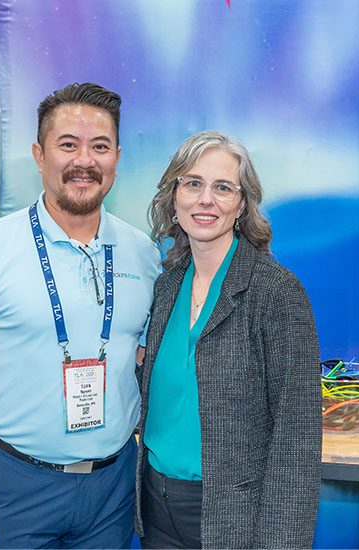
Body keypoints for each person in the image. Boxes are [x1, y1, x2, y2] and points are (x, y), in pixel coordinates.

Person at [0, 82, 160, 549]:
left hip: (112, 489)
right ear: (39, 155)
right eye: (68, 145)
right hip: (15, 486)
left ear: (117, 158)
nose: (84, 161)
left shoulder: (143, 253)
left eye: (100, 147)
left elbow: (142, 358)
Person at [136, 131, 321, 549]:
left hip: (232, 515)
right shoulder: (167, 286)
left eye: (223, 188)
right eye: (193, 183)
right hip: (156, 508)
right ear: (174, 197)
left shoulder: (275, 292)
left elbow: (297, 436)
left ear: (241, 205)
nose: (206, 200)